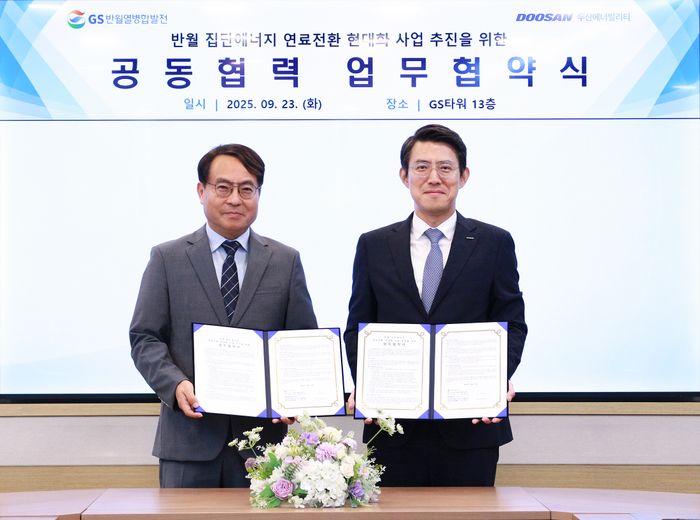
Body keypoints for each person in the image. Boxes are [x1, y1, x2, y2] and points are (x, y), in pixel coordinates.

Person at [344, 124, 526, 487]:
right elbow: (358, 327)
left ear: (463, 176)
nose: (434, 178)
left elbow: (512, 324)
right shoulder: (373, 245)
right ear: (404, 176)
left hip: (471, 428)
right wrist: (367, 384)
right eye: (422, 167)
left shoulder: (494, 243)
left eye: (445, 168)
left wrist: (491, 382)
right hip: (393, 428)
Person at [130, 143, 317, 488]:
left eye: (247, 189)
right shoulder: (167, 258)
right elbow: (145, 338)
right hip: (188, 442)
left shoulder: (285, 261)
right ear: (201, 191)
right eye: (223, 187)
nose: (235, 199)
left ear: (259, 194)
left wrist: (297, 396)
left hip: (263, 448)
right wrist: (175, 384)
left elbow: (302, 343)